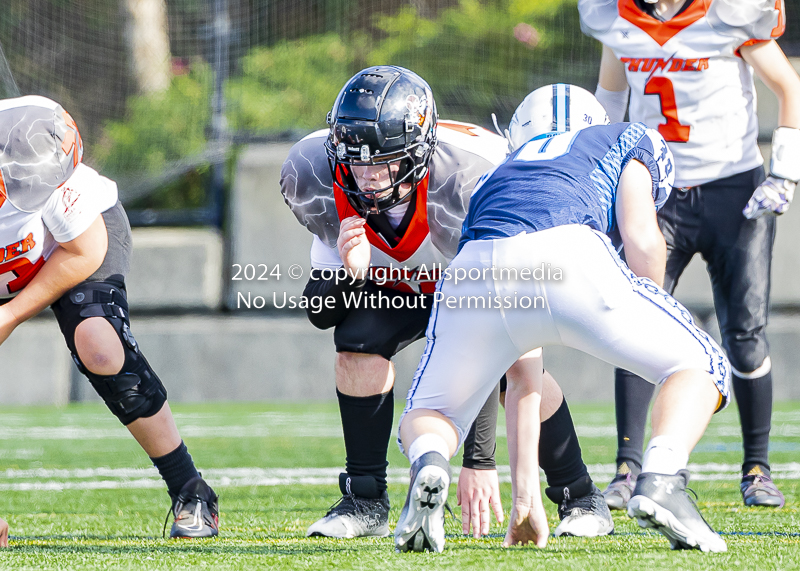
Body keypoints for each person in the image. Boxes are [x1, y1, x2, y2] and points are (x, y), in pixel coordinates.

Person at [394, 83, 732, 554]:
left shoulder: (497, 176)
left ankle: (429, 464)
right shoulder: (623, 136)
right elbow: (642, 238)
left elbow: (522, 376)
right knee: (702, 365)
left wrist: (526, 499)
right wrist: (646, 320)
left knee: (430, 412)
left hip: (475, 267)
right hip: (571, 252)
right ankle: (661, 479)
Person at [280, 66, 613, 540]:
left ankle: (579, 495)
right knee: (356, 340)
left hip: (479, 268)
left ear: (417, 154)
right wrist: (351, 273)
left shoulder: (470, 183)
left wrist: (480, 461)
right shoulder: (314, 174)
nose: (368, 178)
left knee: (514, 363)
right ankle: (365, 499)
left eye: (383, 164)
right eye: (356, 161)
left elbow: (481, 331)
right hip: (401, 280)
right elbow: (321, 313)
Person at [578, 0, 800, 509]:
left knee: (745, 336)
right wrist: (591, 173)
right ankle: (627, 470)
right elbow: (609, 103)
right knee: (634, 325)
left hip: (733, 192)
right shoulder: (618, 19)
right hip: (657, 194)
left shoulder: (729, 14)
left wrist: (785, 172)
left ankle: (757, 468)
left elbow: (789, 87)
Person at [0, 95, 218, 538]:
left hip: (71, 245)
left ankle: (191, 489)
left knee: (100, 345)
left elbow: (83, 253)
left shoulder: (39, 158)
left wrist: (9, 315)